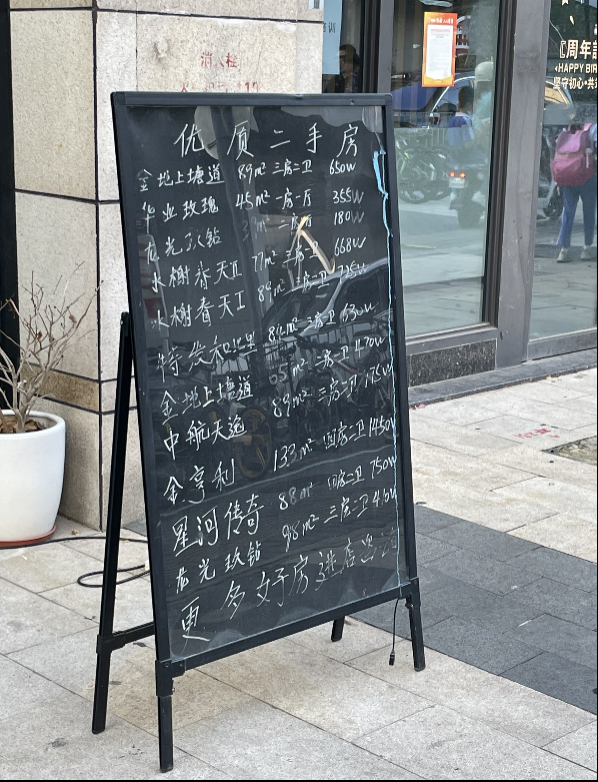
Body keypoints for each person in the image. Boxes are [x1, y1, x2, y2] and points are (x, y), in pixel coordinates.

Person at [557, 122, 597, 263]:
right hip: (587, 176)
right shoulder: (594, 128)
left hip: (568, 175)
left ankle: (564, 251)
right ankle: (586, 249)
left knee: (568, 213)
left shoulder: (569, 129)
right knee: (589, 213)